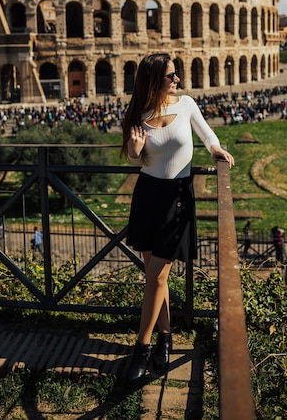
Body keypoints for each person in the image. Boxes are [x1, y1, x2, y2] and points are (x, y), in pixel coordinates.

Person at [121, 53, 234, 386]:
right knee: (156, 278)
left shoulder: (185, 104)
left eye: (177, 74)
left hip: (177, 199)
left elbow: (207, 135)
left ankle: (140, 350)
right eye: (171, 76)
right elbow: (133, 158)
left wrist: (215, 150)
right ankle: (165, 338)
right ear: (155, 80)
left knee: (155, 275)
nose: (177, 80)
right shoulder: (137, 115)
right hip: (147, 197)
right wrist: (134, 146)